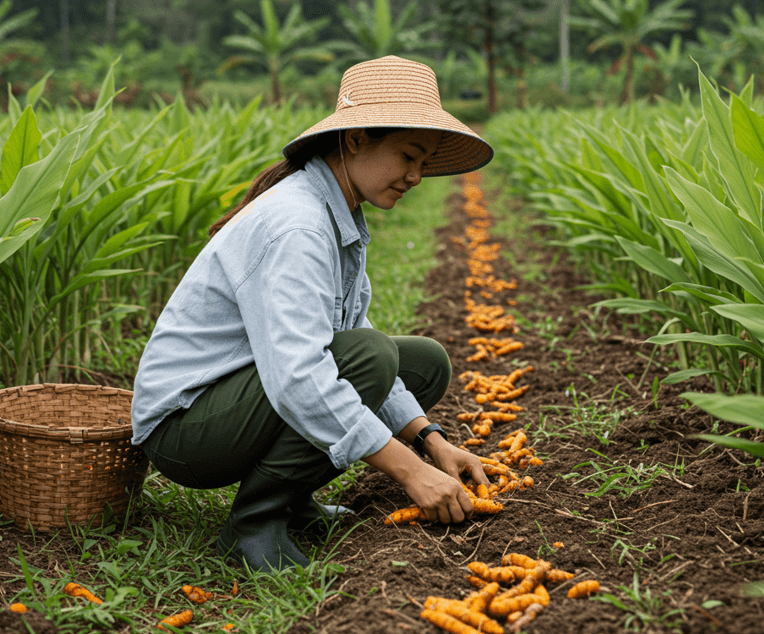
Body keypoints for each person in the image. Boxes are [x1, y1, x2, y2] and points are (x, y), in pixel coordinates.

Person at [130, 56, 495, 572]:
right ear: (355, 140)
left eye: (424, 163)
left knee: (420, 362)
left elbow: (350, 331)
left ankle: (294, 497)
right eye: (408, 156)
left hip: (242, 395)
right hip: (187, 428)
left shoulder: (338, 211)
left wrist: (429, 439)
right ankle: (255, 522)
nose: (416, 176)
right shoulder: (298, 226)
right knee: (367, 357)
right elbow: (300, 375)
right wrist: (411, 472)